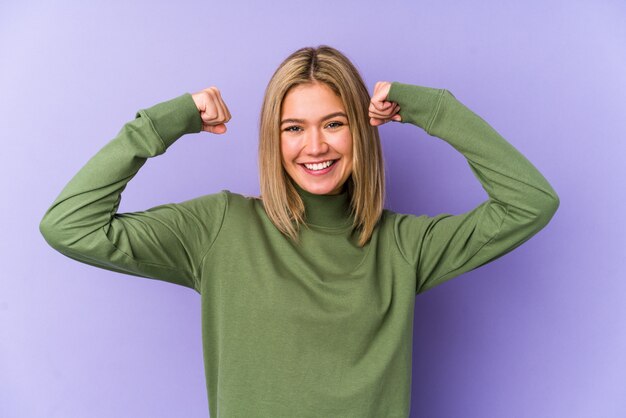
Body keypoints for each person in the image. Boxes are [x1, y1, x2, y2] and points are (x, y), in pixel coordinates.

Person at [39, 45, 559, 417]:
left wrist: (436, 110)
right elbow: (70, 225)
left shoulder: (403, 245)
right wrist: (162, 123)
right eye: (294, 128)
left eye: (334, 123)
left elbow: (530, 203)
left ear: (361, 130)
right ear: (274, 138)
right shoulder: (220, 229)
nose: (315, 147)